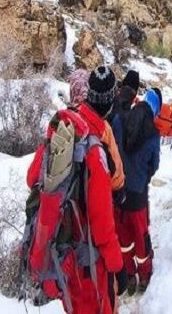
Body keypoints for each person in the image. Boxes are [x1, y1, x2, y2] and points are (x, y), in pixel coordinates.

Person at [25, 66, 123, 314]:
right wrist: (116, 263)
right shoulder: (94, 149)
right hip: (87, 261)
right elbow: (102, 225)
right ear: (111, 101)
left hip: (63, 255)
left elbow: (32, 177)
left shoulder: (64, 127)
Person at [111, 87, 161, 295]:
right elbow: (154, 164)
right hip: (138, 193)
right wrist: (144, 176)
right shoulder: (154, 133)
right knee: (141, 236)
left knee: (124, 238)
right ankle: (145, 274)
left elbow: (111, 150)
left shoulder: (120, 120)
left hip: (119, 192)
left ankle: (129, 274)